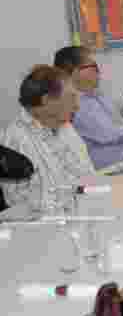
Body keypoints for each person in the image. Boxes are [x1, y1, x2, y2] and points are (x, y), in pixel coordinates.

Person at [0, 66, 94, 209]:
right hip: (47, 224)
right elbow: (17, 204)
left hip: (85, 209)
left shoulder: (66, 127)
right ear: (47, 100)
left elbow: (88, 176)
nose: (77, 106)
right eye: (71, 98)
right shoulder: (15, 139)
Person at [53, 46, 123, 170]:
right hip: (110, 172)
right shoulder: (74, 105)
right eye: (94, 67)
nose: (99, 72)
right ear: (74, 72)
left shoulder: (98, 95)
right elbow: (113, 134)